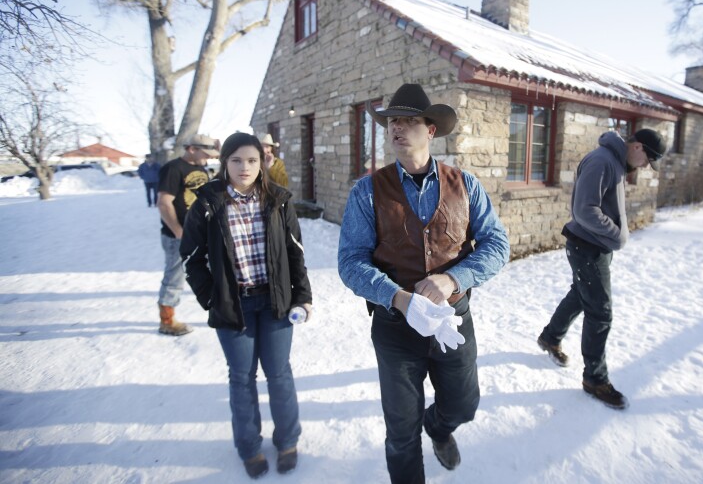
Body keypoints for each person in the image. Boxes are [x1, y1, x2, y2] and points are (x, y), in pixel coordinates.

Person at [338, 83, 509, 484]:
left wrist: (454, 278)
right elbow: (350, 261)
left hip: (453, 321)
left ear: (430, 130)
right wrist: (396, 297)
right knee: (400, 432)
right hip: (397, 328)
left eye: (409, 121)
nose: (397, 128)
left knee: (464, 405)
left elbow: (497, 244)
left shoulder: (465, 185)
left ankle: (440, 426)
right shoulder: (368, 191)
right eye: (392, 121)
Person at [180, 132, 313, 479]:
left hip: (275, 302)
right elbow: (191, 258)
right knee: (242, 378)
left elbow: (295, 253)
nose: (245, 167)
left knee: (279, 374)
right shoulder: (207, 203)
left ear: (262, 162)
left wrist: (303, 296)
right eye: (236, 160)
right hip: (233, 305)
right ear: (225, 161)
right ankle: (249, 448)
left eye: (252, 160)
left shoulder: (278, 200)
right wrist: (211, 297)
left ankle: (287, 441)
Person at [537, 128, 666, 410]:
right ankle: (595, 379)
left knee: (581, 296)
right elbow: (585, 210)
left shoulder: (615, 162)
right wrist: (617, 235)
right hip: (588, 248)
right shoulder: (602, 161)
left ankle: (550, 337)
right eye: (648, 159)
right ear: (638, 147)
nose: (645, 166)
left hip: (593, 246)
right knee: (601, 312)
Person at [155, 134, 219, 336]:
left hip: (200, 233)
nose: (208, 158)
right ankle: (167, 320)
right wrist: (178, 232)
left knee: (210, 271)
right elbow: (164, 202)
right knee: (175, 276)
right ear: (191, 148)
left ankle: (218, 309)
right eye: (205, 153)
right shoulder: (173, 169)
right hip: (178, 236)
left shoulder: (200, 167)